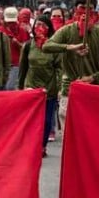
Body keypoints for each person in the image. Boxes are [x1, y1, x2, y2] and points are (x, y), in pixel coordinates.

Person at [42, 0, 99, 138]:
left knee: (93, 136)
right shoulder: (67, 31)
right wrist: (70, 47)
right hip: (70, 89)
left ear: (95, 12)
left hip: (95, 92)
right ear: (74, 10)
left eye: (89, 8)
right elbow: (47, 46)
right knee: (70, 136)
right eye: (82, 8)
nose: (85, 12)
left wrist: (93, 77)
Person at [18, 15, 62, 156]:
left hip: (49, 89)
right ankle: (32, 145)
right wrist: (20, 87)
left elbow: (59, 68)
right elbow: (23, 67)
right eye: (37, 24)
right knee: (31, 120)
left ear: (49, 28)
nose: (40, 28)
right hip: (31, 87)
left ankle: (42, 146)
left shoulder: (54, 47)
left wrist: (60, 87)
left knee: (46, 121)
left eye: (43, 25)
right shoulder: (28, 45)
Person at [2, 6, 28, 90]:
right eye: (9, 22)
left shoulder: (22, 30)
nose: (11, 24)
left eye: (12, 22)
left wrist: (16, 42)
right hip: (1, 64)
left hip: (15, 64)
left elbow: (26, 48)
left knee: (9, 87)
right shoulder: (0, 30)